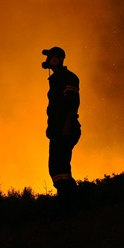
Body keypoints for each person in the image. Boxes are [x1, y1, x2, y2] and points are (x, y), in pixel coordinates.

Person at [41, 46, 81, 207]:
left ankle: (71, 202)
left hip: (65, 129)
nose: (48, 60)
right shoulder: (56, 78)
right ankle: (69, 200)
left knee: (60, 166)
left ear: (58, 58)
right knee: (57, 167)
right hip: (57, 130)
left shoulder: (68, 77)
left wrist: (67, 126)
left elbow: (73, 103)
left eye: (50, 57)